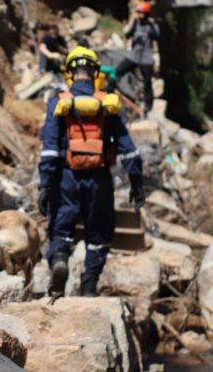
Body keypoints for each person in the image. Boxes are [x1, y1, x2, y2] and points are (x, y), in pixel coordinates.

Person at [38, 47, 144, 297]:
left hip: (66, 177)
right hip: (99, 178)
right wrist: (137, 184)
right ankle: (89, 286)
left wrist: (44, 185)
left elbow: (50, 149)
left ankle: (60, 261)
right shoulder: (108, 103)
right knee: (99, 233)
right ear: (95, 72)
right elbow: (129, 149)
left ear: (70, 73)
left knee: (60, 227)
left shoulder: (58, 102)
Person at [107, 1, 160, 113]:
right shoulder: (136, 23)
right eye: (138, 12)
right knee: (117, 72)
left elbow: (157, 36)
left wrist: (150, 30)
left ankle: (148, 105)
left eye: (141, 13)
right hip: (133, 56)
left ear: (146, 14)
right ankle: (109, 92)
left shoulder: (152, 25)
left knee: (147, 82)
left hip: (146, 58)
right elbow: (128, 35)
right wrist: (133, 34)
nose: (139, 15)